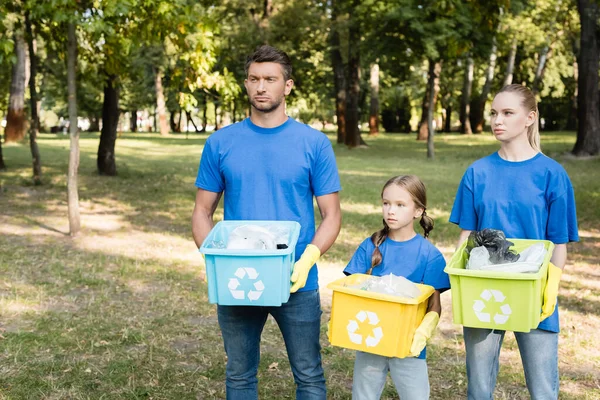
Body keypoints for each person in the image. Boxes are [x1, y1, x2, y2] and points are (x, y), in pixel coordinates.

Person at [191, 45, 342, 399]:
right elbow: (201, 211)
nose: (261, 87)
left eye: (270, 79)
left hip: (296, 280)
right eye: (254, 79)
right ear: (246, 84)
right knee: (240, 375)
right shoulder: (221, 143)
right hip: (238, 278)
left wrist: (308, 259)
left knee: (309, 375)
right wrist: (214, 258)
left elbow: (332, 215)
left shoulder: (314, 143)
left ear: (287, 86)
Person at [449, 84, 579, 399]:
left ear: (530, 117)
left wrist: (552, 285)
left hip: (532, 291)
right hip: (484, 289)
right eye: (494, 113)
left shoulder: (552, 174)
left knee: (542, 388)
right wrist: (458, 280)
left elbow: (558, 242)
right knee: (478, 387)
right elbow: (466, 236)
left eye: (508, 113)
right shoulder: (477, 173)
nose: (498, 120)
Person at [343, 175, 450, 400]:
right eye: (386, 203)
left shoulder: (430, 255)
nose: (391, 210)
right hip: (370, 338)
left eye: (400, 205)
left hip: (409, 344)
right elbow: (351, 289)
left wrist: (425, 329)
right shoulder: (370, 246)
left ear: (418, 211)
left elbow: (434, 304)